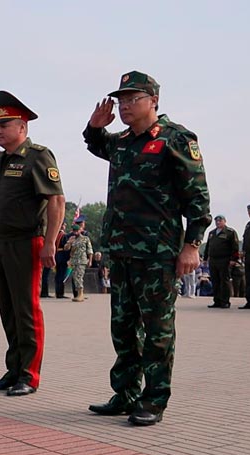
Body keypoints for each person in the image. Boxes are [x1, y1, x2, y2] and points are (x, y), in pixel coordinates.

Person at [84, 70, 211, 426]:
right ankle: (124, 394)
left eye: (132, 99)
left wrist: (192, 245)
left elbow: (197, 198)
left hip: (158, 252)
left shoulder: (176, 138)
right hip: (122, 249)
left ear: (153, 100)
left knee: (157, 330)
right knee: (123, 327)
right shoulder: (122, 141)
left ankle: (154, 399)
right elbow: (97, 145)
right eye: (121, 100)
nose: (124, 106)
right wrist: (95, 127)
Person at [0, 91, 65, 396]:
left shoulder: (38, 156)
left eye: (4, 125)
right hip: (3, 243)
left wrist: (50, 242)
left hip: (28, 241)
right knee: (8, 310)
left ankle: (29, 374)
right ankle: (13, 370)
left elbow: (56, 200)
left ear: (22, 128)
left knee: (26, 310)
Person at [203, 214, 239, 308]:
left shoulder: (230, 232)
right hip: (213, 259)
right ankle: (217, 300)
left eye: (220, 221)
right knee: (215, 281)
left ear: (224, 221)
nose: (218, 222)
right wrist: (205, 258)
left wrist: (234, 259)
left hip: (225, 259)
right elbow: (208, 246)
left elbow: (235, 247)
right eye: (216, 221)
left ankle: (225, 301)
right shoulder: (212, 233)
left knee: (224, 281)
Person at [64, 222, 93, 302]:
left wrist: (90, 261)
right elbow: (66, 248)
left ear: (80, 230)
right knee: (75, 277)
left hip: (82, 260)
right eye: (74, 231)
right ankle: (79, 294)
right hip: (73, 261)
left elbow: (90, 250)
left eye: (76, 230)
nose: (75, 232)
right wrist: (69, 242)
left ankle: (80, 294)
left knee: (79, 277)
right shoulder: (72, 239)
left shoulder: (85, 239)